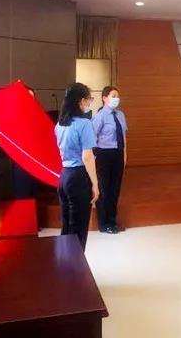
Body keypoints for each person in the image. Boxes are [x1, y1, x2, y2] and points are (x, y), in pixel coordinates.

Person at [55, 82, 100, 250]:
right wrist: (95, 184)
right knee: (79, 229)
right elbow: (87, 157)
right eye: (89, 99)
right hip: (79, 176)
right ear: (81, 101)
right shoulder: (84, 124)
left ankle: (64, 263)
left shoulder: (60, 125)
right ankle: (76, 265)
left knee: (67, 226)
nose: (89, 103)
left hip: (64, 176)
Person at [92, 86, 128, 234]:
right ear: (104, 98)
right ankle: (103, 223)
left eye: (117, 96)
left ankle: (112, 220)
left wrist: (124, 154)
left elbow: (123, 136)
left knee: (115, 189)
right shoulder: (100, 116)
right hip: (104, 155)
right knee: (104, 189)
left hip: (118, 153)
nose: (116, 99)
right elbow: (92, 137)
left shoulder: (120, 115)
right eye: (113, 96)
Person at [12, 83, 38, 199]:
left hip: (36, 162)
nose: (30, 100)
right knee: (22, 197)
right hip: (21, 162)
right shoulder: (15, 115)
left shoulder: (37, 116)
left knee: (34, 196)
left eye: (32, 97)